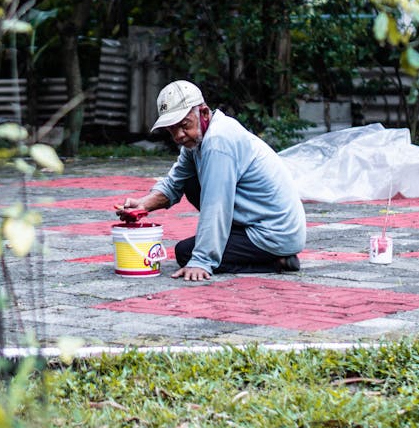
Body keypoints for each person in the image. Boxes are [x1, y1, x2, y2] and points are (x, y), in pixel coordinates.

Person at [115, 80, 306, 282]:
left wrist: (201, 260)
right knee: (190, 182)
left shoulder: (218, 141)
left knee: (186, 253)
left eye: (184, 125)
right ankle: (261, 254)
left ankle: (276, 262)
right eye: (172, 129)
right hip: (256, 223)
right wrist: (142, 205)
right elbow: (174, 183)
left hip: (275, 233)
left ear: (204, 113)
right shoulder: (195, 141)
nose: (179, 135)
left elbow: (216, 205)